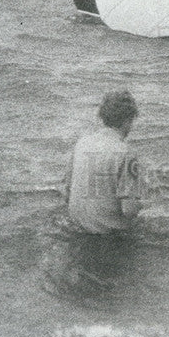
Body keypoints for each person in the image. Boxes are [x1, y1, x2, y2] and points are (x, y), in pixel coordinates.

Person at [62, 90, 142, 235]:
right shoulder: (126, 154)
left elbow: (67, 194)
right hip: (108, 236)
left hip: (77, 227)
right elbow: (129, 211)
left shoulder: (82, 142)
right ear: (128, 120)